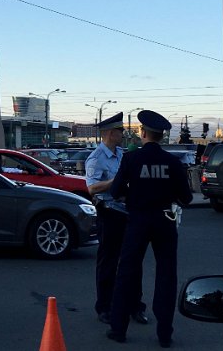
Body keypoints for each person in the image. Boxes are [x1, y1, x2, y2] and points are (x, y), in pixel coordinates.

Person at [106, 110, 193, 348]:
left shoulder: (131, 159)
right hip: (165, 221)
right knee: (166, 276)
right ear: (161, 136)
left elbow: (115, 192)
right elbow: (186, 197)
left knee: (127, 273)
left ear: (143, 133)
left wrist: (132, 195)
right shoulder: (173, 162)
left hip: (138, 221)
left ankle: (118, 329)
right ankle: (164, 334)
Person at [84, 112, 148, 327]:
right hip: (109, 213)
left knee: (134, 261)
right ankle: (105, 307)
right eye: (120, 130)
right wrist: (117, 181)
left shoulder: (123, 154)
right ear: (110, 133)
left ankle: (134, 306)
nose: (123, 133)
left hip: (128, 212)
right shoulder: (96, 158)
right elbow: (92, 188)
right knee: (109, 263)